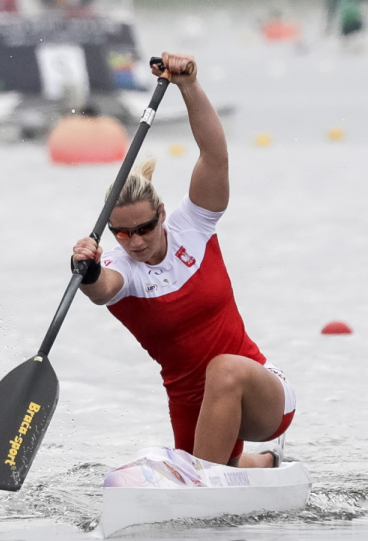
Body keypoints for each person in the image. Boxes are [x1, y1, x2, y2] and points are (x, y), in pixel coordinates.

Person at [70, 52, 296, 468]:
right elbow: (102, 291)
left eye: (144, 228)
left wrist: (188, 86)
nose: (135, 241)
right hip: (192, 405)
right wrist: (85, 270)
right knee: (188, 469)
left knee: (224, 369)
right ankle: (265, 466)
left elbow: (215, 158)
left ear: (161, 215)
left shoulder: (192, 223)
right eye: (123, 233)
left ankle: (206, 483)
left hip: (258, 393)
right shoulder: (122, 268)